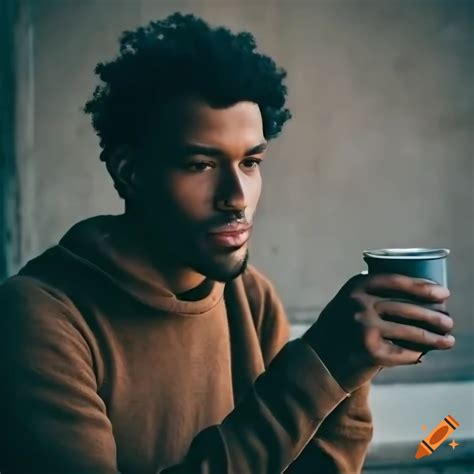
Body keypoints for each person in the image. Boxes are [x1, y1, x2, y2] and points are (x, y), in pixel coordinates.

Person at [0, 12, 455, 474]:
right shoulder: (37, 318)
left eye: (251, 162)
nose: (237, 198)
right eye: (201, 164)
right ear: (130, 173)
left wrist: (351, 371)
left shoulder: (252, 297)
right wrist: (320, 365)